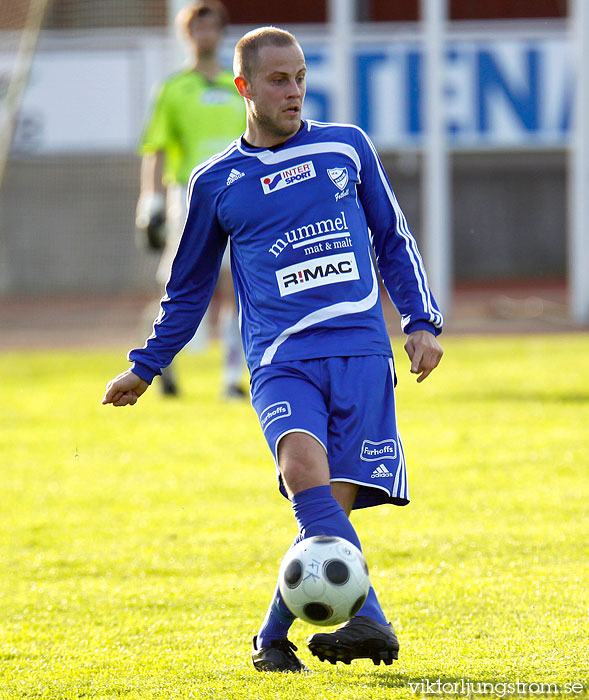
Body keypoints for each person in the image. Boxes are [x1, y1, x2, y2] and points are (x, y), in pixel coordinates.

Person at [103, 26, 444, 672]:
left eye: (300, 78)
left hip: (361, 354)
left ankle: (270, 639)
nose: (293, 92)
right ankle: (371, 618)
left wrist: (420, 322)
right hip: (280, 361)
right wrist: (145, 366)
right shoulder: (215, 182)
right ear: (243, 88)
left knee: (323, 520)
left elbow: (392, 238)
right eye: (277, 80)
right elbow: (188, 289)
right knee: (300, 472)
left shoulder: (346, 147)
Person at [135, 0, 246, 397]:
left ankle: (231, 378)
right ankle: (163, 364)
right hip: (188, 194)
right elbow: (156, 146)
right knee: (180, 280)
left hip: (236, 192)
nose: (205, 34)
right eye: (197, 27)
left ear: (220, 32)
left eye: (211, 26)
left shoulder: (239, 87)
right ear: (187, 34)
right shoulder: (174, 89)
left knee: (238, 281)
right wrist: (150, 200)